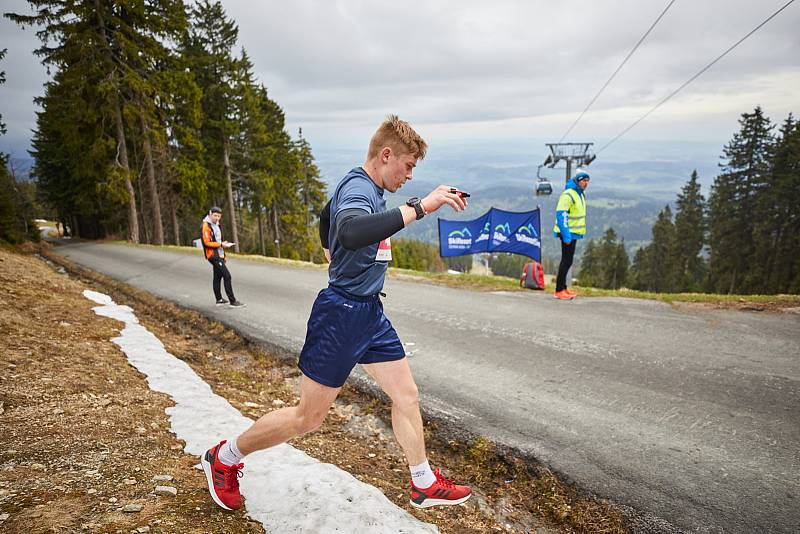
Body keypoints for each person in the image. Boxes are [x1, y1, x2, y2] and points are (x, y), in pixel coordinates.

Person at [201, 115, 472, 512]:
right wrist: (420, 207)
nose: (410, 176)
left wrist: (329, 247)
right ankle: (223, 457)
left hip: (369, 314)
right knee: (307, 418)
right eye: (408, 165)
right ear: (386, 155)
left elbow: (328, 219)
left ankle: (423, 482)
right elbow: (347, 229)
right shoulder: (359, 187)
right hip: (340, 315)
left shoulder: (371, 186)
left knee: (407, 395)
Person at [553, 169, 590, 300]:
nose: (585, 183)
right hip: (567, 233)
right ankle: (559, 290)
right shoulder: (568, 194)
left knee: (568, 261)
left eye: (587, 181)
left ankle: (563, 288)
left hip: (574, 233)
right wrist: (566, 235)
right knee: (566, 261)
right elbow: (561, 214)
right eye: (583, 181)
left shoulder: (579, 194)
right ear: (577, 181)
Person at [201, 207, 245, 308]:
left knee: (217, 277)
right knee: (227, 276)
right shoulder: (206, 226)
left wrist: (223, 255)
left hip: (218, 254)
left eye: (219, 216)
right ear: (210, 213)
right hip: (212, 255)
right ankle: (233, 301)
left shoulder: (216, 224)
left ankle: (219, 300)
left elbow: (219, 240)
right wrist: (221, 244)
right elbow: (206, 243)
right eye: (215, 215)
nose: (217, 218)